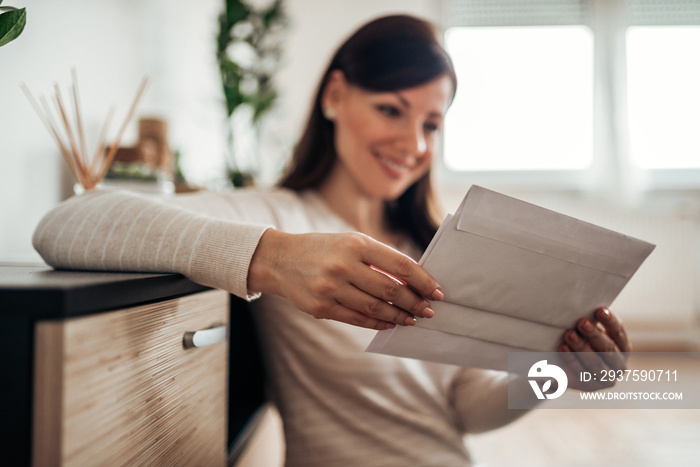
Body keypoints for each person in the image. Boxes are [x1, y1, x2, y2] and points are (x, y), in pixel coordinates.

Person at [33, 15, 631, 466]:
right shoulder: (280, 215)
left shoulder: (435, 247)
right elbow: (66, 224)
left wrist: (555, 372)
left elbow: (464, 411)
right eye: (392, 109)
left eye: (430, 124)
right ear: (335, 96)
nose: (414, 143)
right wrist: (272, 257)